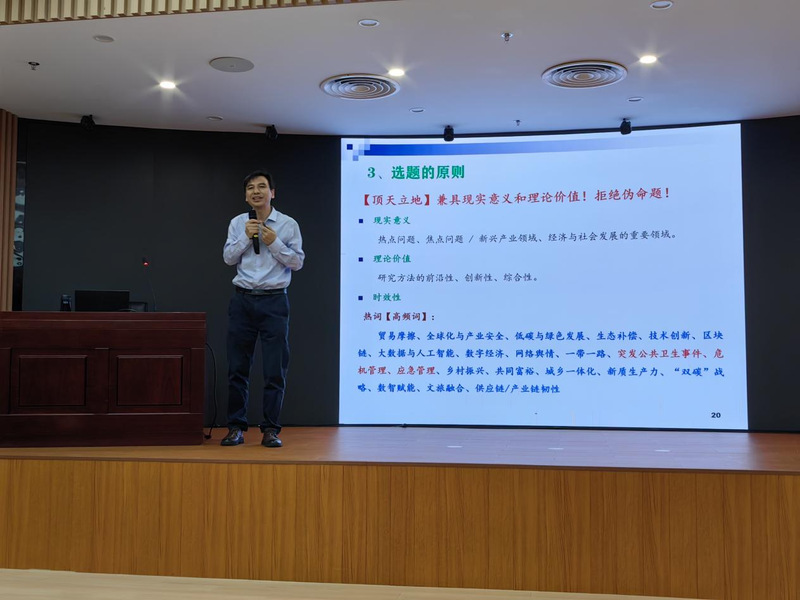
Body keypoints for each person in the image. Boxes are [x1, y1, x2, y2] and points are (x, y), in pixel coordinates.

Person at [221, 170, 304, 447]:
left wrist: (274, 243)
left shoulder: (288, 224)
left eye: (261, 187)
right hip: (242, 301)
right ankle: (235, 427)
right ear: (246, 195)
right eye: (250, 188)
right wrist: (246, 238)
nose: (256, 191)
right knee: (237, 368)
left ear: (272, 193)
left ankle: (270, 429)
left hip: (274, 302)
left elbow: (297, 262)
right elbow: (228, 258)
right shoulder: (237, 223)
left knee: (274, 369)